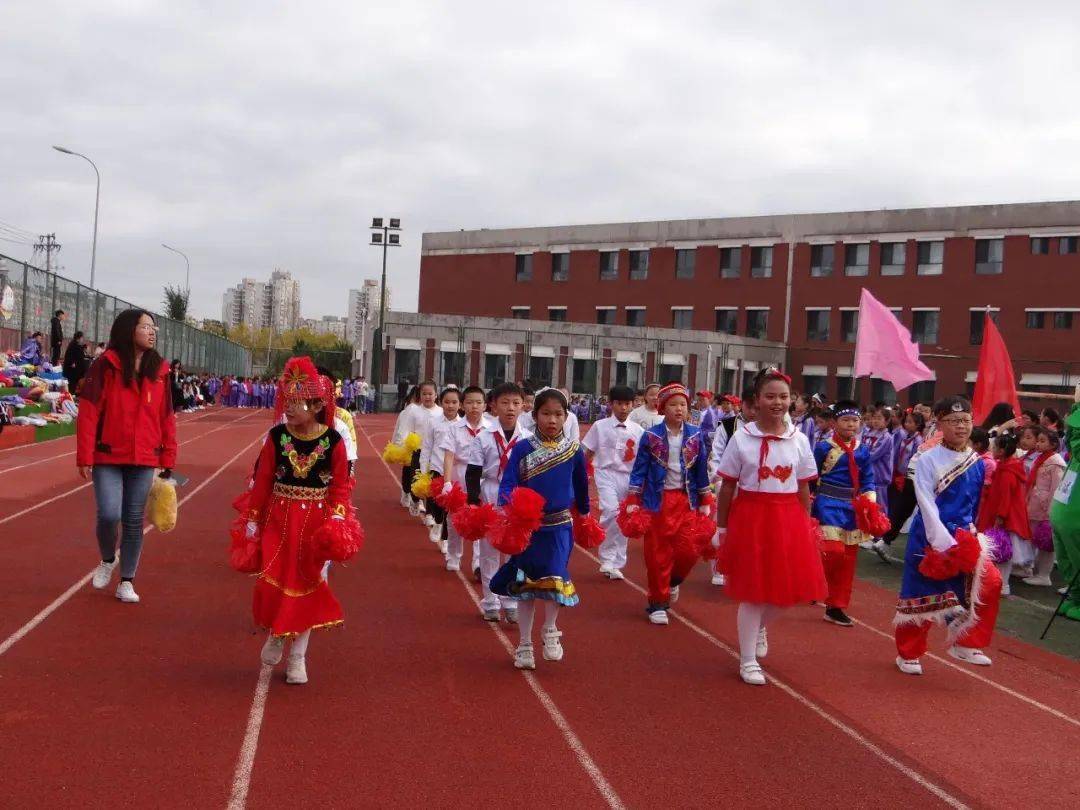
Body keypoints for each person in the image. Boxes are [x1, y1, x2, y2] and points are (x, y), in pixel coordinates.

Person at [237, 356, 360, 685]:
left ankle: (298, 657)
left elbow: (340, 486)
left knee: (309, 584)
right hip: (278, 517)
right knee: (273, 578)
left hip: (316, 524)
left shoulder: (333, 441)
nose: (288, 408)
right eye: (287, 401)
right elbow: (263, 480)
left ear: (318, 405)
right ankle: (277, 632)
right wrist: (253, 518)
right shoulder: (276, 437)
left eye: (296, 403)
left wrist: (336, 521)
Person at [714, 369, 825, 685]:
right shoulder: (741, 438)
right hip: (751, 517)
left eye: (784, 397)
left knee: (788, 592)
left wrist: (806, 524)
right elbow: (727, 487)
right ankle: (747, 660)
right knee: (752, 592)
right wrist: (723, 529)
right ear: (756, 401)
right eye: (770, 396)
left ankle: (760, 626)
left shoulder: (799, 439)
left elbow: (804, 487)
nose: (778, 402)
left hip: (788, 517)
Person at [894, 397, 1003, 675]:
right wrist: (942, 543)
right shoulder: (927, 459)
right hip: (931, 536)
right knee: (921, 597)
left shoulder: (976, 462)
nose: (961, 426)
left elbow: (974, 505)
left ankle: (965, 642)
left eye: (965, 420)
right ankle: (908, 653)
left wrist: (971, 535)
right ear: (940, 423)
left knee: (991, 581)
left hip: (965, 537)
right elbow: (926, 504)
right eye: (954, 421)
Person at [76, 309, 177, 604]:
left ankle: (127, 580)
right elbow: (89, 411)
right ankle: (108, 558)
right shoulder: (105, 365)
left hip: (145, 457)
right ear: (128, 329)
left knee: (133, 520)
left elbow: (166, 416)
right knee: (109, 514)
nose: (152, 331)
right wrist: (84, 455)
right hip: (108, 454)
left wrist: (168, 457)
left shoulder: (160, 370)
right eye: (145, 326)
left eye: (153, 327)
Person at [490, 389, 591, 669]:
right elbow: (509, 482)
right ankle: (524, 644)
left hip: (559, 527)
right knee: (526, 586)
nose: (552, 420)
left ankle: (550, 630)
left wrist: (585, 516)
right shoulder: (522, 448)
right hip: (528, 529)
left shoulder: (573, 451)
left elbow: (582, 487)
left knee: (555, 578)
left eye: (558, 414)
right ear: (534, 416)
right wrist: (508, 507)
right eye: (546, 413)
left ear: (566, 417)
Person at [625, 383, 712, 625]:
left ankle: (673, 580)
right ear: (663, 408)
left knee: (689, 547)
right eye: (673, 404)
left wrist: (705, 498)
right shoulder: (651, 436)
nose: (678, 409)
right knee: (657, 554)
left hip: (686, 500)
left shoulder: (695, 434)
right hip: (657, 501)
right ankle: (658, 603)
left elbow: (701, 469)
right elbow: (639, 469)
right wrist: (633, 499)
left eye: (682, 404)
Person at [465, 382, 531, 621]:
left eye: (515, 403)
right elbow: (472, 472)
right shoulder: (484, 437)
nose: (510, 408)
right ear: (493, 405)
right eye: (504, 403)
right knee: (489, 551)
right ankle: (490, 600)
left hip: (517, 497)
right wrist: (473, 502)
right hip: (491, 493)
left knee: (516, 552)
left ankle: (511, 600)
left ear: (524, 406)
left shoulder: (529, 438)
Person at [811, 400, 877, 627]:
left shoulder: (863, 450)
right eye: (845, 420)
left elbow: (868, 478)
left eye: (855, 420)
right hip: (827, 503)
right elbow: (811, 477)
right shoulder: (823, 447)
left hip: (852, 507)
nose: (851, 425)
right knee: (832, 551)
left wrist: (869, 501)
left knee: (848, 559)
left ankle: (836, 606)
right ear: (834, 422)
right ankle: (815, 580)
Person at [581, 385, 644, 581]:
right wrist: (581, 474)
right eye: (619, 403)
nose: (623, 408)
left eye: (627, 404)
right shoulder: (600, 426)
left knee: (626, 517)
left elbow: (642, 459)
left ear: (633, 405)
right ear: (611, 404)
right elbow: (589, 452)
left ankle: (617, 562)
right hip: (605, 473)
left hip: (629, 477)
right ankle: (606, 557)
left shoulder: (639, 431)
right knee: (611, 511)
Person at [438, 386, 487, 576]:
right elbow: (449, 456)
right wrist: (447, 482)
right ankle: (454, 555)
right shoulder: (454, 428)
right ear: (463, 405)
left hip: (481, 479)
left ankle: (477, 562)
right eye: (469, 402)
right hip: (460, 475)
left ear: (485, 405)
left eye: (478, 402)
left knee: (480, 520)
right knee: (455, 520)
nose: (474, 406)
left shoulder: (490, 428)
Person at [977, 429, 1030, 596]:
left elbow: (1006, 497)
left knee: (1003, 552)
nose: (992, 451)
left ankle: (1003, 584)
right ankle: (998, 582)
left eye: (994, 448)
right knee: (1000, 551)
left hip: (1004, 517)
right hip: (1000, 514)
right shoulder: (1006, 467)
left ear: (1002, 451)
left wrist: (1000, 517)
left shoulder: (1008, 472)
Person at [1023, 428, 1066, 587]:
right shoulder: (1041, 458)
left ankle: (1044, 575)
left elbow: (1056, 488)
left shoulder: (1055, 463)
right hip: (1034, 505)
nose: (1038, 444)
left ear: (1053, 444)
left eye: (1043, 441)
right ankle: (1030, 568)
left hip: (1044, 508)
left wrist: (1050, 511)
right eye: (1038, 440)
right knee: (1033, 538)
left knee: (1046, 543)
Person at [1050, 393, 1080, 620]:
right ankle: (1075, 593)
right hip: (1066, 496)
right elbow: (1071, 442)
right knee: (1064, 545)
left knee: (1075, 542)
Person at [420, 386, 462, 544]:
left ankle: (445, 538)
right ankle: (437, 523)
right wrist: (424, 470)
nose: (450, 406)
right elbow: (427, 446)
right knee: (437, 503)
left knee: (449, 508)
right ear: (441, 402)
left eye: (454, 402)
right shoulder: (433, 422)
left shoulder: (462, 425)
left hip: (454, 472)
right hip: (436, 467)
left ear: (460, 404)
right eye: (447, 402)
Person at [392, 380, 439, 516]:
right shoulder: (414, 411)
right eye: (424, 394)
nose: (428, 397)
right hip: (418, 451)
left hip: (435, 453)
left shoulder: (441, 412)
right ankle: (415, 499)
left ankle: (430, 512)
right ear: (420, 395)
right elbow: (406, 430)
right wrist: (402, 445)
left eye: (430, 394)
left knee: (433, 480)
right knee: (416, 478)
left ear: (436, 395)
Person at [880, 411, 926, 547]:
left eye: (910, 422)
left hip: (908, 479)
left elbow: (914, 461)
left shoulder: (918, 441)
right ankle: (885, 536)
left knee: (900, 508)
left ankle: (887, 537)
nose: (906, 424)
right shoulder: (905, 437)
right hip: (898, 475)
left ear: (918, 425)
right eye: (906, 421)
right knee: (894, 506)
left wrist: (905, 476)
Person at [861, 406, 895, 559]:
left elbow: (874, 454)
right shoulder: (868, 433)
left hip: (879, 477)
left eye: (879, 418)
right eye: (874, 418)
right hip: (868, 475)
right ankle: (869, 534)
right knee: (867, 505)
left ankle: (879, 536)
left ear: (887, 421)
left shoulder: (887, 438)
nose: (875, 421)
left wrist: (860, 458)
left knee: (879, 507)